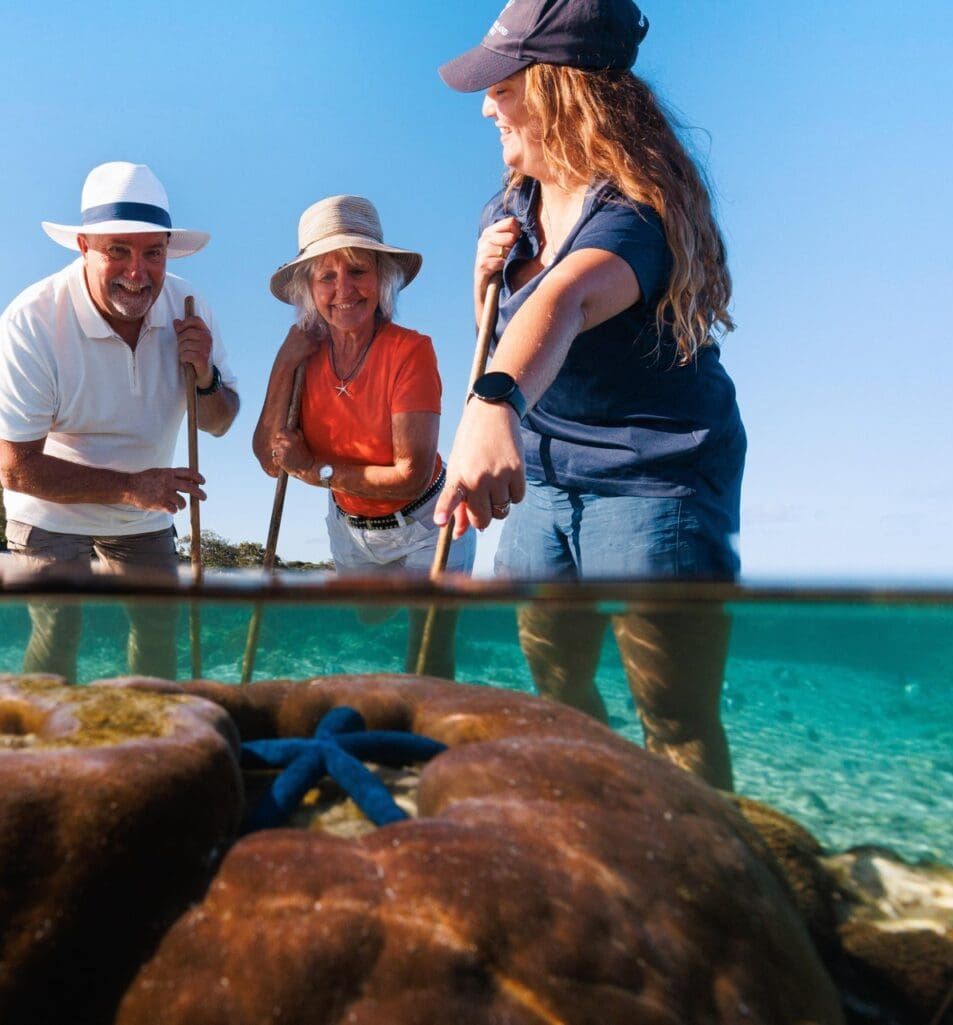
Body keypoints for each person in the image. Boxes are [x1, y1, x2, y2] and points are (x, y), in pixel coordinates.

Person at [434, 0, 746, 788]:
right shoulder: (515, 203)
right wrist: (482, 282)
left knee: (672, 712)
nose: (485, 105)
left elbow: (564, 301)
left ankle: (703, 880)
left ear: (560, 89)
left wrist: (492, 405)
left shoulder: (636, 210)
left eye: (503, 84)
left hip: (654, 477)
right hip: (547, 474)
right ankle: (600, 818)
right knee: (555, 683)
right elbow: (504, 327)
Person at [0, 161, 239, 682]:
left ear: (168, 250)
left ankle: (149, 744)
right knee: (59, 633)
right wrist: (131, 486)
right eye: (117, 250)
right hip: (51, 508)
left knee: (159, 632)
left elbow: (220, 422)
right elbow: (17, 470)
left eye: (152, 252)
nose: (136, 271)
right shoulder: (31, 322)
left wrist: (205, 374)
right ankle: (42, 748)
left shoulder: (190, 308)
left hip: (144, 511)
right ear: (83, 247)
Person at [253, 195, 473, 677]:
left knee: (429, 658)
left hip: (426, 522)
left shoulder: (411, 351)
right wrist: (285, 362)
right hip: (352, 529)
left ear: (383, 279)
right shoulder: (301, 356)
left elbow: (410, 477)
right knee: (368, 623)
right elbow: (269, 461)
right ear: (308, 289)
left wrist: (315, 470)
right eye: (326, 276)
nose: (344, 289)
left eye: (358, 271)